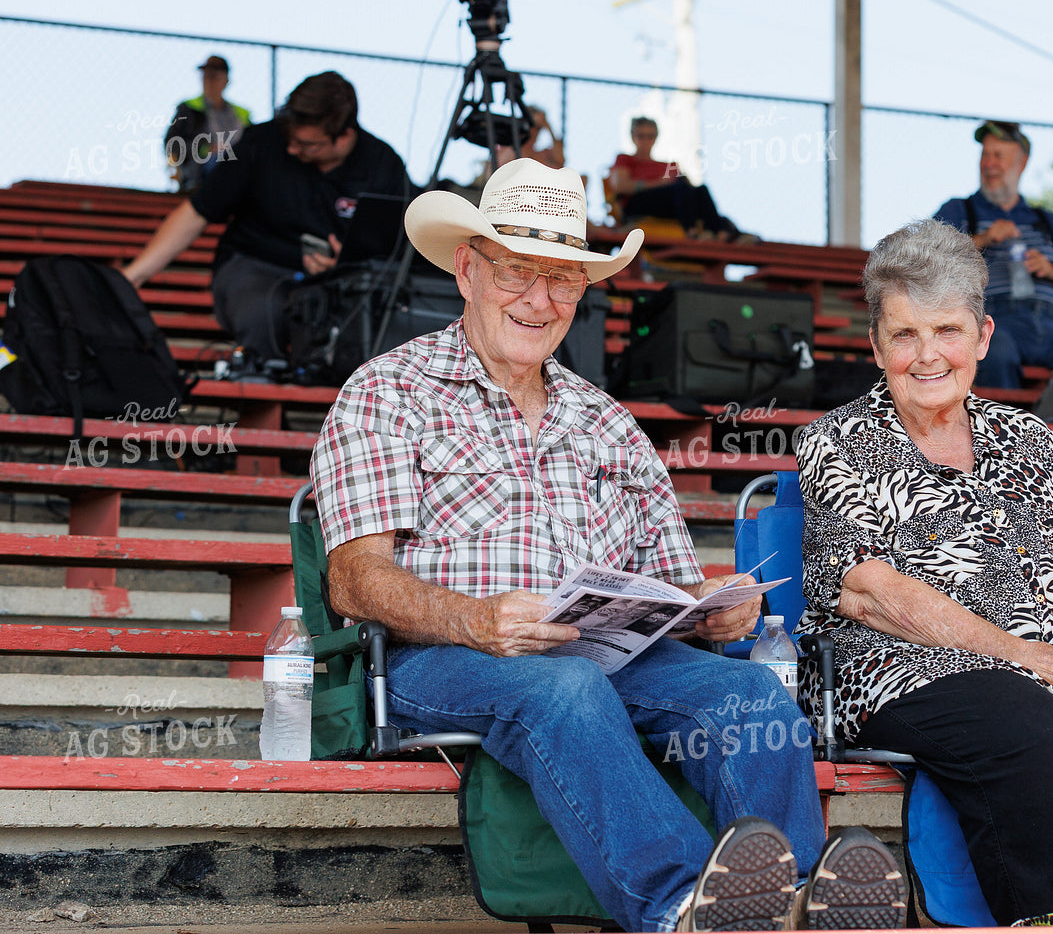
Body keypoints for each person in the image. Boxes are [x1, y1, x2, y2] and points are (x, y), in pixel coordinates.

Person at [308, 158, 907, 934]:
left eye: (562, 280)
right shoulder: (388, 390)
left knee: (750, 695)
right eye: (518, 272)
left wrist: (708, 611)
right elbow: (353, 582)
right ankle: (683, 907)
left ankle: (789, 908)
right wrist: (474, 619)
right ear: (467, 268)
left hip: (608, 655)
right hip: (446, 655)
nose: (539, 299)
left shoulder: (607, 422)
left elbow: (670, 586)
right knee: (562, 687)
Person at [795, 217, 1053, 927]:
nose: (927, 355)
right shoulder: (835, 441)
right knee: (1035, 729)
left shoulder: (1028, 437)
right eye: (904, 335)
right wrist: (1025, 656)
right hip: (911, 670)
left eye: (948, 331)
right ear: (875, 347)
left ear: (983, 337)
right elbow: (868, 591)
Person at [121, 71, 412, 363]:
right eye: (290, 138)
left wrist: (345, 266)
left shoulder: (384, 164)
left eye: (308, 144)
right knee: (265, 313)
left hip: (339, 286)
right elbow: (197, 211)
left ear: (345, 135)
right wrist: (133, 276)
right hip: (254, 267)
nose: (292, 149)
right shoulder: (261, 141)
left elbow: (397, 250)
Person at [933, 120, 1053, 390]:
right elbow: (928, 261)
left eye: (998, 156)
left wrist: (1052, 270)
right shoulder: (960, 210)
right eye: (985, 155)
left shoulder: (1046, 220)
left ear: (1022, 163)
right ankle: (1004, 429)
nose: (989, 163)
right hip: (993, 318)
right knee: (994, 351)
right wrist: (983, 238)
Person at [609, 117, 750, 242]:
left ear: (656, 137)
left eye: (650, 136)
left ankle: (719, 232)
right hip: (638, 205)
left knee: (700, 189)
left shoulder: (668, 165)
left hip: (670, 206)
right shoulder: (625, 159)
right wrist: (659, 183)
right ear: (633, 137)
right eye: (641, 136)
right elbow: (620, 185)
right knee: (681, 188)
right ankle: (694, 232)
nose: (646, 141)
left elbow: (689, 191)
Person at [164, 55, 250, 193]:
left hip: (238, 167)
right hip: (200, 171)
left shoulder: (242, 114)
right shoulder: (188, 109)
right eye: (206, 76)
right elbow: (172, 144)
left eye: (214, 77)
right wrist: (205, 148)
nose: (209, 81)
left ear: (226, 81)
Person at [491, 105, 565, 171]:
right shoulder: (507, 147)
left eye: (539, 128)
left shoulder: (540, 155)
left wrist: (549, 127)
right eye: (532, 127)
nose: (535, 132)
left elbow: (560, 162)